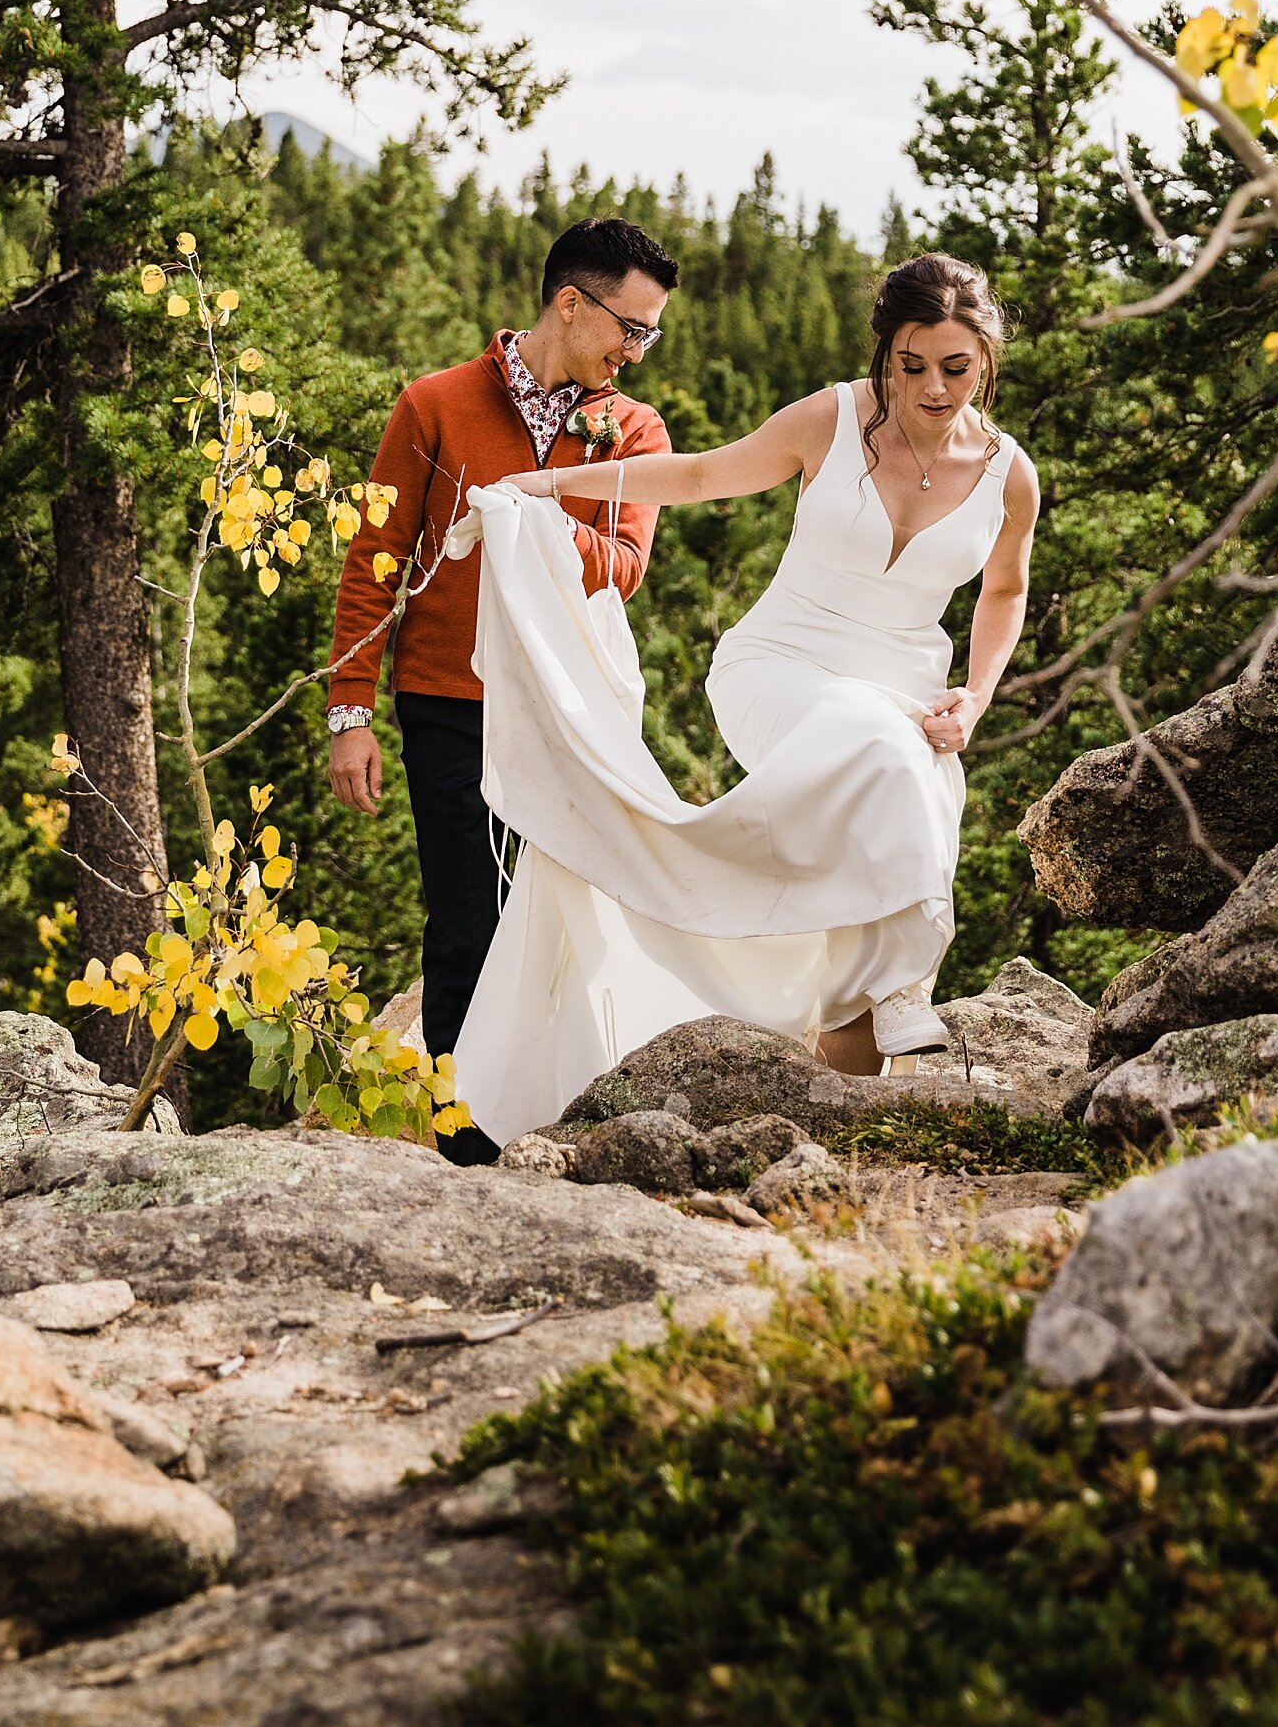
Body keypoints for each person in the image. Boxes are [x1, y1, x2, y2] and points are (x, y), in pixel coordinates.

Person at [447, 252, 1039, 1146]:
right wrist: (551, 483)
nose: (932, 387)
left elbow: (1005, 591)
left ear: (986, 359)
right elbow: (697, 476)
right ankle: (903, 986)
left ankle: (850, 1106)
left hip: (906, 689)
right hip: (783, 666)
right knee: (883, 750)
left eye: (956, 368)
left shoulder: (1008, 473)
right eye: (911, 365)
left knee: (895, 791)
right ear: (886, 353)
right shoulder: (833, 419)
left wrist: (976, 698)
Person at [326, 214, 677, 1162]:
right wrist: (348, 711)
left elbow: (627, 566)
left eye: (649, 334)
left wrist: (534, 516)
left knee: (571, 907)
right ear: (571, 303)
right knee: (465, 916)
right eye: (629, 329)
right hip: (447, 698)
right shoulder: (434, 405)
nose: (636, 353)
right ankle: (463, 1138)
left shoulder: (632, 430)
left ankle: (567, 1114)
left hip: (569, 706)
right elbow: (377, 559)